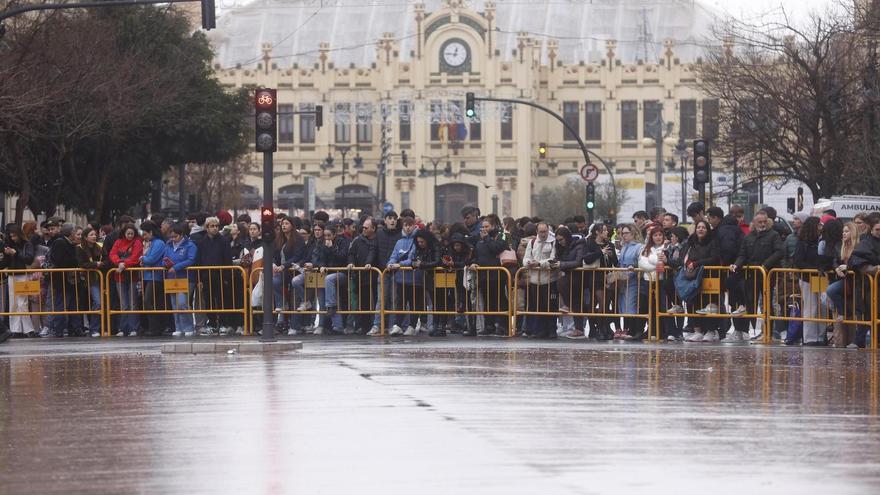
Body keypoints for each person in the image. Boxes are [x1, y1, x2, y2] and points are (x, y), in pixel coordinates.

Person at [729, 210, 785, 341]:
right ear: (754, 222)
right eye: (760, 222)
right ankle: (757, 331)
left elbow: (779, 252)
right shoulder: (748, 237)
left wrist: (765, 265)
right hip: (752, 275)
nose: (763, 224)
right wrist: (736, 265)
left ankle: (769, 333)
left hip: (768, 275)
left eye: (765, 221)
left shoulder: (774, 235)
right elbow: (742, 254)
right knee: (751, 303)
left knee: (768, 304)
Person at [678, 220, 721, 342]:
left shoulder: (713, 242)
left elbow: (714, 258)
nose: (700, 229)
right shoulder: (691, 242)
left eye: (703, 227)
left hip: (709, 277)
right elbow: (684, 256)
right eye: (698, 227)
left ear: (708, 230)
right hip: (693, 278)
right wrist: (687, 262)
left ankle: (711, 330)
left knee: (709, 305)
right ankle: (697, 330)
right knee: (694, 303)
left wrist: (697, 263)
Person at [469, 218, 510, 337]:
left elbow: (497, 248)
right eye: (483, 227)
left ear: (493, 226)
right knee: (487, 302)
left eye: (487, 226)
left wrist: (487, 239)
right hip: (483, 275)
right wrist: (473, 262)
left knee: (500, 300)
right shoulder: (480, 240)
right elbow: (476, 254)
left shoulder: (502, 235)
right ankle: (489, 325)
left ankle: (503, 325)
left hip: (497, 275)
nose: (484, 229)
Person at [43, 223, 85, 338]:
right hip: (62, 280)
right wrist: (76, 261)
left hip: (70, 280)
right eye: (74, 232)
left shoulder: (68, 243)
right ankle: (59, 329)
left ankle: (76, 328)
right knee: (61, 304)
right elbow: (59, 261)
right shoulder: (60, 242)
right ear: (70, 233)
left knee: (73, 305)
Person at [194, 217, 234, 336]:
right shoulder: (201, 242)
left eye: (217, 226)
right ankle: (211, 323)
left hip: (221, 274)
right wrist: (199, 279)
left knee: (222, 299)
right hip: (206, 275)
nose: (215, 228)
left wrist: (227, 277)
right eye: (212, 226)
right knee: (208, 300)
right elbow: (198, 261)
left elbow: (228, 260)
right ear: (207, 228)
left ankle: (223, 324)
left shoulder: (224, 241)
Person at [340, 216, 379, 335]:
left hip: (375, 275)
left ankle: (376, 325)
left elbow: (373, 253)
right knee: (363, 302)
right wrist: (351, 263)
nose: (364, 229)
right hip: (361, 276)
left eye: (366, 228)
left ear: (373, 228)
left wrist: (369, 263)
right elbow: (351, 254)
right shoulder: (357, 240)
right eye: (363, 227)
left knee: (377, 301)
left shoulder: (377, 240)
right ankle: (363, 326)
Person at [581, 223, 618, 340]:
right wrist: (600, 252)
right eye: (604, 230)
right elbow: (586, 259)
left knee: (606, 302)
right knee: (598, 301)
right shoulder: (590, 243)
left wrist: (611, 255)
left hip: (607, 277)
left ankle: (605, 326)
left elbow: (615, 262)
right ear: (597, 232)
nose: (607, 232)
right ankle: (599, 327)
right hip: (594, 277)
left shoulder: (609, 244)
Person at [368, 211, 402, 336]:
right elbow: (373, 249)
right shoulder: (379, 233)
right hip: (382, 270)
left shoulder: (400, 234)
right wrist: (369, 262)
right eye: (390, 218)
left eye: (394, 218)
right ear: (385, 220)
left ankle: (392, 325)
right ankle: (377, 325)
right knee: (380, 299)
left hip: (396, 271)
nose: (392, 221)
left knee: (394, 299)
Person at [522, 222, 558, 338]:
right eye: (541, 232)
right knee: (538, 306)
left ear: (548, 230)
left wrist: (539, 263)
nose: (543, 234)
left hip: (549, 280)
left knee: (551, 307)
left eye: (545, 231)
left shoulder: (553, 242)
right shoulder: (532, 242)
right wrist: (528, 263)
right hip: (534, 280)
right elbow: (526, 257)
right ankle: (541, 330)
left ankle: (552, 330)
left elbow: (553, 259)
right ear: (537, 232)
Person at [826, 222, 860, 347]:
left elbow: (859, 261)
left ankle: (856, 340)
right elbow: (835, 260)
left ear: (853, 232)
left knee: (858, 311)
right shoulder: (839, 245)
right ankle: (842, 312)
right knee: (831, 290)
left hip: (857, 280)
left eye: (846, 231)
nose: (844, 233)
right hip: (844, 279)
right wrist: (836, 269)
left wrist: (848, 267)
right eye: (843, 231)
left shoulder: (859, 246)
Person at [386, 217, 420, 336]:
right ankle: (398, 325)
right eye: (405, 225)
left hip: (415, 279)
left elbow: (413, 259)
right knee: (400, 302)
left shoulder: (417, 240)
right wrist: (390, 264)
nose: (407, 227)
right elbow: (394, 255)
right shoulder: (399, 242)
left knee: (414, 303)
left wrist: (399, 265)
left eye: (410, 225)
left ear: (414, 225)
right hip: (401, 278)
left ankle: (412, 325)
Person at [108, 224, 143, 337]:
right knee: (123, 303)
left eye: (132, 234)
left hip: (132, 276)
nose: (130, 236)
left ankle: (134, 328)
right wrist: (119, 263)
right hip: (119, 276)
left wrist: (123, 264)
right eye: (128, 233)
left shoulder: (137, 242)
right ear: (124, 233)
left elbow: (136, 257)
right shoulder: (118, 242)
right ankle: (123, 328)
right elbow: (112, 254)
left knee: (133, 302)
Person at [792, 217, 823, 345]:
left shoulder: (821, 240)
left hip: (820, 277)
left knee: (822, 308)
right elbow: (798, 261)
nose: (821, 226)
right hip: (807, 278)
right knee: (811, 307)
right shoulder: (802, 242)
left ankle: (821, 336)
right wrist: (814, 269)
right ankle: (810, 337)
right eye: (819, 224)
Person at [163, 223, 198, 337]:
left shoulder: (190, 245)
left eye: (175, 236)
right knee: (174, 304)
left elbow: (191, 260)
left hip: (186, 277)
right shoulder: (168, 245)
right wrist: (166, 264)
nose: (173, 239)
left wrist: (176, 267)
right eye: (171, 237)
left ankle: (188, 327)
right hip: (172, 278)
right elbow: (164, 259)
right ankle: (178, 327)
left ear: (181, 235)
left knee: (182, 303)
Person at [2, 224, 36, 338]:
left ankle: (28, 329)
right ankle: (15, 329)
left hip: (23, 275)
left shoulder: (27, 244)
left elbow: (29, 259)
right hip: (12, 275)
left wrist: (15, 253)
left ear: (20, 235)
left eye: (15, 236)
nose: (13, 238)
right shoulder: (9, 245)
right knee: (14, 304)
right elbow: (6, 262)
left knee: (23, 303)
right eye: (11, 236)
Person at [317, 223, 351, 335]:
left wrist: (332, 248)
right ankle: (337, 325)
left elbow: (342, 257)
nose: (326, 238)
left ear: (335, 234)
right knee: (332, 293)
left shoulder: (343, 242)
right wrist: (321, 265)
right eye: (325, 235)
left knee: (329, 280)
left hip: (341, 273)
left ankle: (330, 306)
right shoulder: (322, 243)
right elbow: (321, 257)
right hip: (329, 273)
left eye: (329, 235)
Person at [637, 226, 669, 341]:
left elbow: (664, 262)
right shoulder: (646, 249)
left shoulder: (666, 247)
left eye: (660, 235)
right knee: (648, 307)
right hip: (648, 282)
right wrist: (656, 265)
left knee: (661, 307)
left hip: (661, 282)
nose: (658, 237)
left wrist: (656, 262)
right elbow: (642, 264)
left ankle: (661, 331)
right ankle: (649, 330)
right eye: (655, 235)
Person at [138, 221, 167, 337]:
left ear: (151, 232)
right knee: (152, 302)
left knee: (148, 301)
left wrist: (143, 258)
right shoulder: (153, 243)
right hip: (150, 275)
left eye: (145, 234)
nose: (144, 237)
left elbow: (151, 259)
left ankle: (155, 327)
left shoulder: (158, 243)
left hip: (155, 276)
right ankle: (154, 327)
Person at [615, 223, 644, 339]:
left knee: (631, 305)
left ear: (633, 233)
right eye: (623, 233)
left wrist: (632, 270)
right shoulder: (624, 246)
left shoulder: (639, 247)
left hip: (633, 280)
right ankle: (628, 330)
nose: (623, 235)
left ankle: (633, 331)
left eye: (626, 233)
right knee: (623, 305)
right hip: (623, 279)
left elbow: (640, 263)